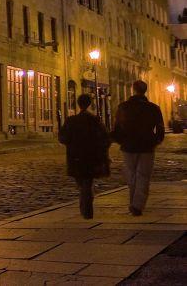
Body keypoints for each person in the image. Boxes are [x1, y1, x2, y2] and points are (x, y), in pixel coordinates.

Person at [111, 80, 165, 216]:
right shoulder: (153, 108)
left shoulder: (123, 107)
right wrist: (157, 140)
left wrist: (119, 140)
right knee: (143, 175)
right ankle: (137, 204)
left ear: (133, 89)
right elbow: (160, 127)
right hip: (147, 145)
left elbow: (117, 127)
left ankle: (134, 203)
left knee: (131, 174)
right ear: (145, 91)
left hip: (128, 145)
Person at [59, 94, 110, 219]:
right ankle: (86, 205)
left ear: (78, 104)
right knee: (87, 182)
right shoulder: (95, 120)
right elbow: (105, 139)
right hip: (92, 157)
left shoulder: (71, 121)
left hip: (76, 157)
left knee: (82, 182)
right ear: (89, 104)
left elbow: (63, 138)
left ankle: (86, 207)